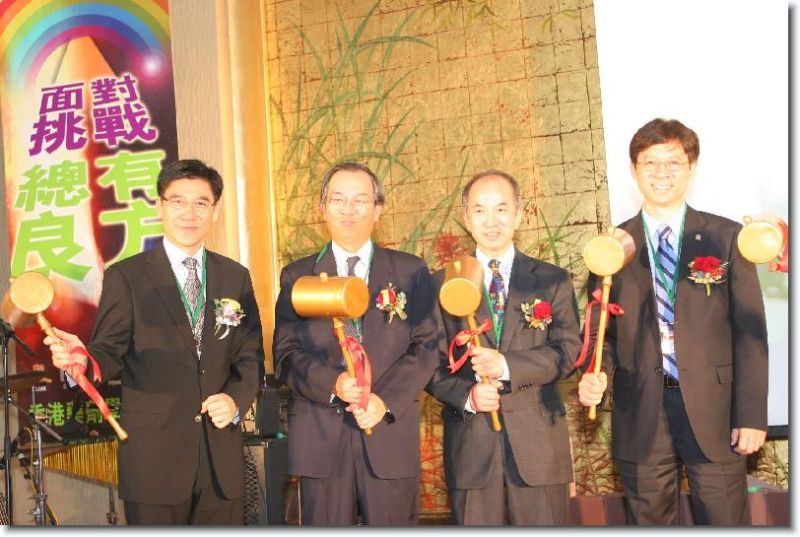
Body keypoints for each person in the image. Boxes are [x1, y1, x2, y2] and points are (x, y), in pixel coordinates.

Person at [44, 159, 264, 524]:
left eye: (201, 202)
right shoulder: (127, 276)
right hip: (154, 463)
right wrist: (83, 361)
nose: (189, 213)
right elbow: (108, 350)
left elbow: (249, 355)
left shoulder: (234, 277)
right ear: (160, 206)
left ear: (215, 210)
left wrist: (235, 400)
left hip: (220, 462)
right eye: (178, 201)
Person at [577, 118, 768, 525]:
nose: (661, 172)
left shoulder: (726, 237)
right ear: (634, 169)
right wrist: (596, 374)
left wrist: (751, 416)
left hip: (715, 412)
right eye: (650, 162)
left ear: (691, 168)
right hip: (641, 411)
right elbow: (600, 332)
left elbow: (750, 334)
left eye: (673, 162)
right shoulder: (611, 248)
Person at [272, 161, 438, 525]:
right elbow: (285, 354)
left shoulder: (409, 271)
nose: (348, 210)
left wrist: (383, 401)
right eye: (338, 200)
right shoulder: (299, 277)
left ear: (378, 209)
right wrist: (332, 384)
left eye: (360, 200)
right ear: (322, 208)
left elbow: (427, 348)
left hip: (388, 433)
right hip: (321, 439)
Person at [426, 170, 581, 525]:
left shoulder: (552, 280)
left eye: (501, 209)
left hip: (539, 446)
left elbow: (568, 351)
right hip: (471, 449)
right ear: (466, 218)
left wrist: (507, 366)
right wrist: (467, 395)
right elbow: (429, 364)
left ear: (519, 214)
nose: (491, 221)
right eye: (480, 211)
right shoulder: (442, 284)